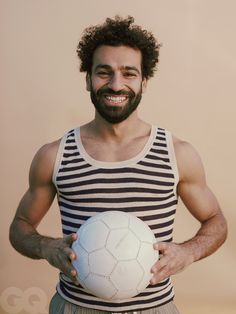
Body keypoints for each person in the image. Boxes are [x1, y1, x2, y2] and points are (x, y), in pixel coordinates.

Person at [9, 16, 227, 314]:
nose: (115, 84)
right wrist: (46, 247)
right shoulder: (55, 155)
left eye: (128, 73)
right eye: (104, 72)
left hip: (155, 308)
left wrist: (187, 252)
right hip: (73, 307)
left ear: (143, 81)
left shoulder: (177, 154)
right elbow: (19, 228)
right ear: (87, 78)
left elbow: (216, 220)